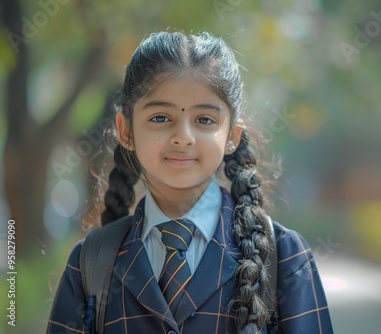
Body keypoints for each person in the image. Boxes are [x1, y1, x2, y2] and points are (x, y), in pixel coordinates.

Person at [46, 31, 333, 334]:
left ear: (232, 136)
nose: (183, 136)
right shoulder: (91, 262)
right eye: (160, 117)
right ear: (126, 130)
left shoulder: (284, 257)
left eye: (205, 120)